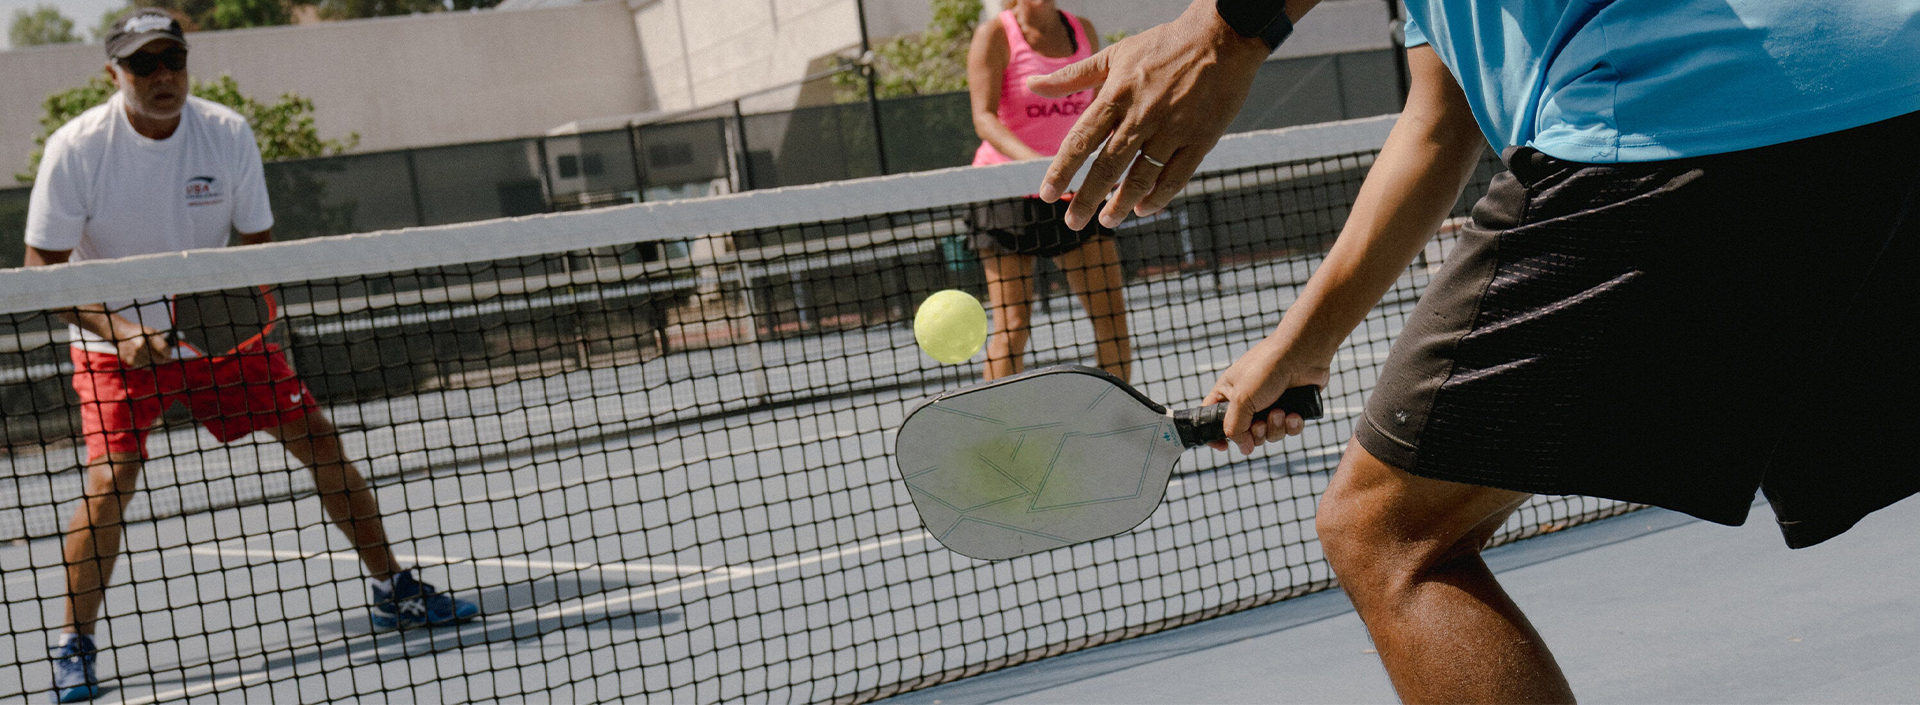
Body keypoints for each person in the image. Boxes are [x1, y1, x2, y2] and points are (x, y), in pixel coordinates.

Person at [1027, 0, 1920, 701]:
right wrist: (1301, 345)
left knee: (1387, 534)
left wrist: (1220, 31)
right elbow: (1437, 127)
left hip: (1674, 104)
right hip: (1892, 86)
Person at [23, 10, 479, 702]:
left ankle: (394, 588)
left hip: (215, 337)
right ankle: (74, 644)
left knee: (321, 441)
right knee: (110, 480)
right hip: (110, 344)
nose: (162, 76)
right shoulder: (77, 148)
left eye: (171, 59)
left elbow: (257, 245)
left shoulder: (226, 132)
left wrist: (220, 321)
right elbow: (40, 269)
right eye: (143, 65)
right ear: (113, 73)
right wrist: (121, 332)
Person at [966, 0, 1131, 382]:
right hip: (1006, 194)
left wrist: (1113, 160)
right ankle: (998, 432)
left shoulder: (1083, 30)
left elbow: (1104, 109)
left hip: (1073, 192)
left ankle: (1117, 425)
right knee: (1014, 327)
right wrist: (1042, 169)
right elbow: (983, 118)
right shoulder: (994, 34)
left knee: (1112, 321)